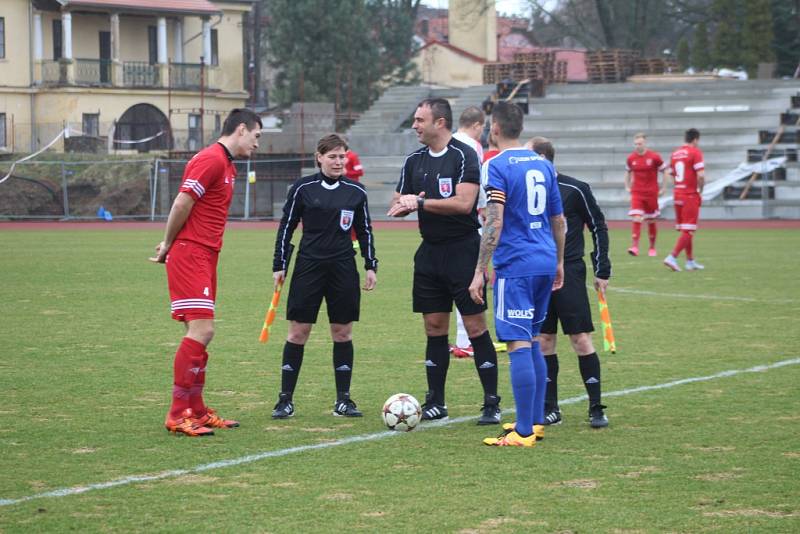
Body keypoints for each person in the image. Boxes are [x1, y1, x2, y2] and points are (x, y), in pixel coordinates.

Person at [387, 98, 502, 425]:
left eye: (420, 120)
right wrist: (406, 203)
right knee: (434, 328)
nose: (414, 125)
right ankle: (436, 401)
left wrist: (420, 202)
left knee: (477, 327)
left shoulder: (464, 155)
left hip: (464, 250)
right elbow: (396, 203)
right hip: (430, 252)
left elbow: (465, 203)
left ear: (440, 122)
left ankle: (491, 402)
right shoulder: (413, 160)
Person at [150, 108, 262, 437]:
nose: (257, 144)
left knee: (204, 332)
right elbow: (182, 202)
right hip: (191, 253)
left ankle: (196, 410)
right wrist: (169, 244)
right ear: (241, 129)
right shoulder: (211, 159)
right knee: (201, 331)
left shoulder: (227, 166)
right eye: (256, 136)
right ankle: (177, 412)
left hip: (207, 254)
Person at [468, 102, 565, 447]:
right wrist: (558, 262)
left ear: (494, 128)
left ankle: (523, 432)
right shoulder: (543, 163)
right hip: (544, 259)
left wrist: (480, 270)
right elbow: (558, 219)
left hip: (516, 264)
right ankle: (534, 422)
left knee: (517, 342)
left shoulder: (497, 165)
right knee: (534, 338)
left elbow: (494, 219)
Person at [271, 133, 378, 419]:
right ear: (319, 158)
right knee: (298, 332)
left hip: (343, 267)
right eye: (332, 156)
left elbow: (365, 230)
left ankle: (343, 400)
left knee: (342, 332)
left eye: (342, 156)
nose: (338, 161)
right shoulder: (302, 188)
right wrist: (279, 264)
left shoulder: (357, 192)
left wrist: (371, 265)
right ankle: (285, 400)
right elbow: (287, 226)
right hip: (308, 266)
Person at [528, 137, 611, 429]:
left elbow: (599, 225)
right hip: (538, 274)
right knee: (544, 341)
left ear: (541, 158)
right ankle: (551, 408)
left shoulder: (575, 188)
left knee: (580, 339)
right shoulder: (527, 191)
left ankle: (596, 406)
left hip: (570, 273)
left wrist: (602, 268)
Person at [450, 106, 486, 359]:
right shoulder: (472, 145)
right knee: (473, 280)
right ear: (478, 125)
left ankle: (461, 340)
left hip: (447, 221)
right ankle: (468, 340)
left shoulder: (449, 142)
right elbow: (479, 185)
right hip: (470, 220)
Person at [664, 128, 705, 272]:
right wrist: (700, 190)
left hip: (678, 194)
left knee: (686, 229)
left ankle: (690, 261)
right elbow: (700, 175)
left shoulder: (675, 153)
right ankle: (672, 257)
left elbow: (670, 173)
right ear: (695, 140)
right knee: (689, 229)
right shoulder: (695, 152)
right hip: (690, 195)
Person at [625, 132, 668, 257]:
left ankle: (652, 248)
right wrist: (627, 186)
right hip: (637, 193)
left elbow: (665, 171)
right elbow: (627, 172)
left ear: (645, 143)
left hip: (651, 193)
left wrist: (664, 188)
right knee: (637, 217)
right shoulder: (631, 158)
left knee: (651, 220)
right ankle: (634, 246)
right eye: (636, 144)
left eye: (640, 143)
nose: (638, 146)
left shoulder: (654, 157)